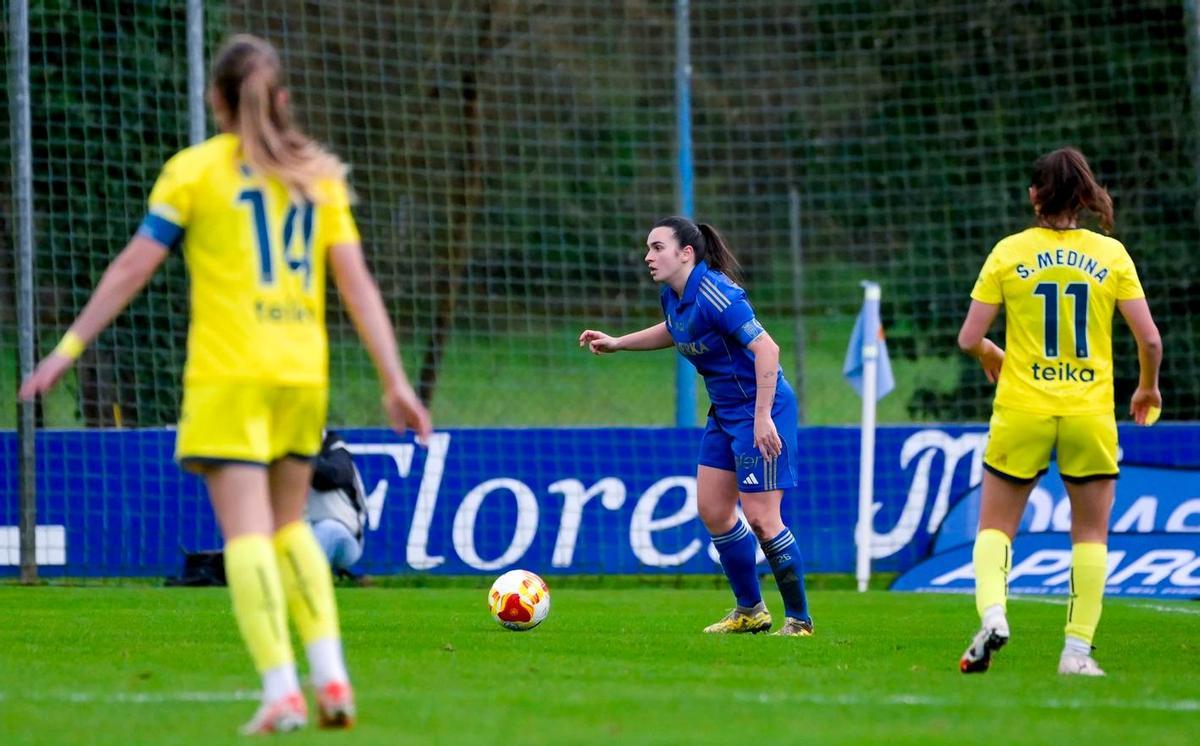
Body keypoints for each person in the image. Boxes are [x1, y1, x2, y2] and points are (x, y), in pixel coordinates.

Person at [19, 34, 432, 733]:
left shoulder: (195, 172)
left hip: (230, 371)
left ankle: (281, 689)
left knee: (245, 534)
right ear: (282, 101)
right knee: (291, 527)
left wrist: (67, 347)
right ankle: (331, 676)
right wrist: (395, 379)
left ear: (215, 99)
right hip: (301, 372)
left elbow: (132, 268)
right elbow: (356, 284)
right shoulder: (316, 177)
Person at [956, 147, 1162, 676]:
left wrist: (991, 353)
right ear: (1084, 197)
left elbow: (969, 337)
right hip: (1088, 410)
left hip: (1023, 405)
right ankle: (1075, 652)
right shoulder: (1111, 256)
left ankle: (995, 614)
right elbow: (1151, 340)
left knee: (995, 526)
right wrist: (1146, 389)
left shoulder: (1008, 252)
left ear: (1034, 196)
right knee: (1090, 533)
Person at [579, 217, 813, 636]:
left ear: (686, 253)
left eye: (657, 247)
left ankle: (799, 620)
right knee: (714, 511)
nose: (648, 256)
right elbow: (674, 330)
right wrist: (618, 342)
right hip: (725, 412)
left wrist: (762, 419)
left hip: (762, 409)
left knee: (762, 518)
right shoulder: (673, 297)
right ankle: (750, 611)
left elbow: (767, 349)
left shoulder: (718, 293)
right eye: (648, 249)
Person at [307, 430, 368, 575]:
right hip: (304, 532)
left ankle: (304, 581)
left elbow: (331, 477)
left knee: (329, 529)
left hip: (345, 539)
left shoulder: (337, 450)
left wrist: (299, 458)